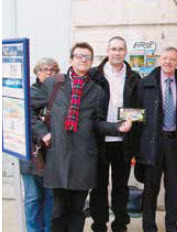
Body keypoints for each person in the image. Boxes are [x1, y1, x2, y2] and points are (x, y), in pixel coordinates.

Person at [31, 42, 133, 232]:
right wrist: (42, 132)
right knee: (59, 210)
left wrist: (118, 127)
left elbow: (97, 123)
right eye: (79, 56)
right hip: (58, 155)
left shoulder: (97, 91)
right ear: (71, 59)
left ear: (91, 61)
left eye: (87, 57)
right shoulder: (54, 84)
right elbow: (28, 107)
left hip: (84, 158)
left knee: (78, 210)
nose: (83, 60)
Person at [135, 47, 177, 232]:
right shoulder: (145, 84)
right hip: (152, 142)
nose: (168, 62)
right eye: (165, 58)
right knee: (151, 189)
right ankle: (149, 226)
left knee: (172, 188)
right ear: (160, 59)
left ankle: (171, 225)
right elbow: (137, 115)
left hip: (174, 143)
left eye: (172, 59)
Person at [89, 36, 141, 232]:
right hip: (99, 139)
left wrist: (133, 123)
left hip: (124, 141)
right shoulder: (94, 75)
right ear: (107, 51)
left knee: (121, 186)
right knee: (99, 186)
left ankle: (120, 224)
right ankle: (99, 224)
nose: (117, 52)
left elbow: (139, 108)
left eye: (120, 49)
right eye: (113, 49)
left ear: (125, 52)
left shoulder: (135, 77)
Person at [20, 58, 60, 232]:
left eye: (53, 69)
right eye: (44, 69)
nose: (49, 72)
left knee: (51, 197)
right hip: (31, 154)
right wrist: (43, 131)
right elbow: (26, 117)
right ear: (37, 72)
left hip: (53, 155)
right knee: (33, 197)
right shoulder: (28, 93)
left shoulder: (61, 92)